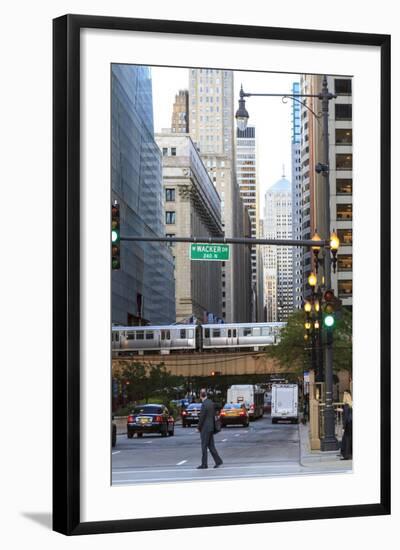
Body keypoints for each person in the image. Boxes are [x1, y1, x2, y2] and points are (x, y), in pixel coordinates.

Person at [196, 388, 223, 469]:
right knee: (211, 446)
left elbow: (202, 417)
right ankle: (218, 461)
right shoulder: (211, 403)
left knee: (204, 446)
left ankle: (204, 464)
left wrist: (198, 427)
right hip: (211, 427)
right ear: (206, 395)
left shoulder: (204, 404)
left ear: (200, 396)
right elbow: (217, 409)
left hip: (205, 428)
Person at [340, 390, 353, 460]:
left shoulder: (346, 405)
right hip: (351, 424)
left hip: (348, 425)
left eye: (344, 394)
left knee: (346, 440)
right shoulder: (351, 403)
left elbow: (346, 417)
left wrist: (343, 427)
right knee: (350, 439)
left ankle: (346, 455)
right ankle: (349, 454)